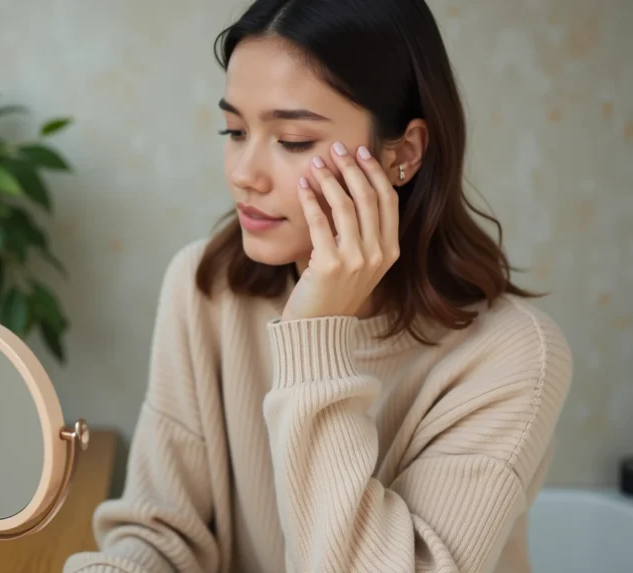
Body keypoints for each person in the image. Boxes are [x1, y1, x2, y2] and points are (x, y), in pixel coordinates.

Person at [64, 0, 572, 571]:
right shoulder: (203, 287)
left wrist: (315, 336)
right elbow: (160, 538)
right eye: (233, 129)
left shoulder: (513, 356)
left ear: (401, 154)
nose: (243, 173)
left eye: (293, 140)